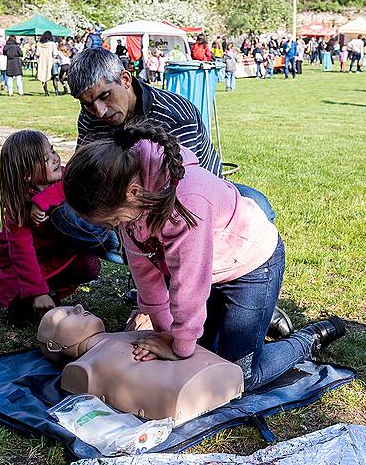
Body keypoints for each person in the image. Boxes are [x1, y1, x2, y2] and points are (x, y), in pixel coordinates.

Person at [62, 123, 346, 391]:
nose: (114, 227)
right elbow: (143, 270)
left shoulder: (187, 201)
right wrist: (164, 332)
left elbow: (189, 282)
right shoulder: (127, 196)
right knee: (205, 353)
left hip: (251, 264)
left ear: (132, 193)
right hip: (212, 270)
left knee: (236, 375)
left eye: (112, 220)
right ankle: (255, 316)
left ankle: (308, 338)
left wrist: (179, 346)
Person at [34, 48, 290, 338]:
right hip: (130, 206)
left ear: (125, 79)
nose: (99, 112)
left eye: (105, 97)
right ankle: (163, 270)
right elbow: (89, 181)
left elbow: (195, 188)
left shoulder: (174, 113)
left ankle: (247, 293)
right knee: (68, 215)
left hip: (190, 201)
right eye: (88, 104)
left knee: (255, 204)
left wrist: (162, 319)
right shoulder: (91, 116)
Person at [38, 304, 243, 423]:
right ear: (54, 345)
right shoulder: (80, 369)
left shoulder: (136, 331)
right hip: (198, 392)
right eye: (63, 315)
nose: (78, 307)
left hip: (216, 380)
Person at [0, 130, 100, 324]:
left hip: (54, 255)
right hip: (24, 265)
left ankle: (49, 292)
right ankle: (33, 298)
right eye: (45, 158)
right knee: (22, 312)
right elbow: (22, 253)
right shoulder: (18, 206)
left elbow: (75, 181)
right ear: (26, 174)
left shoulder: (64, 177)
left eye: (53, 151)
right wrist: (37, 291)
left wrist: (42, 200)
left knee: (89, 265)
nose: (55, 158)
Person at [36, 31, 59, 96]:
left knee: (43, 77)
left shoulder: (39, 44)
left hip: (42, 62)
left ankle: (46, 92)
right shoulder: (52, 44)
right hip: (50, 62)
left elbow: (37, 54)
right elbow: (55, 53)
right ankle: (56, 92)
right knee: (54, 78)